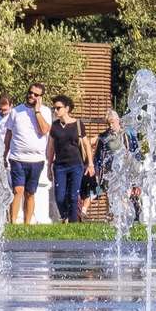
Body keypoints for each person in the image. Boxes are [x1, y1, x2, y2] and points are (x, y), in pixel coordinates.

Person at [0, 83, 51, 226]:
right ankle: (13, 223)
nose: (31, 96)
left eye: (36, 94)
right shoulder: (16, 111)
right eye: (30, 92)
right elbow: (8, 134)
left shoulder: (45, 111)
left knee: (30, 192)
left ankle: (27, 225)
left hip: (37, 159)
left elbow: (44, 130)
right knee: (18, 189)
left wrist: (37, 111)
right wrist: (4, 154)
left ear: (41, 97)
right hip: (17, 158)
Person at [46, 94, 88, 223]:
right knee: (59, 197)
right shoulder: (55, 126)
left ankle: (73, 223)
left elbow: (86, 145)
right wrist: (49, 166)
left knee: (74, 196)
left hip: (76, 165)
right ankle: (65, 216)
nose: (56, 111)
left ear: (67, 108)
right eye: (54, 108)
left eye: (58, 108)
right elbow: (51, 147)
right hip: (59, 166)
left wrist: (90, 164)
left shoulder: (78, 124)